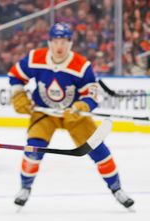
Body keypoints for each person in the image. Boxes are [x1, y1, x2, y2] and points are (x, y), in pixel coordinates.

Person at [9, 22, 134, 209]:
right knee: (34, 148)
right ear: (49, 42)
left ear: (71, 43)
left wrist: (82, 106)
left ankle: (117, 189)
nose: (60, 46)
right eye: (56, 41)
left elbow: (91, 95)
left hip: (73, 114)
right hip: (44, 113)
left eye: (65, 41)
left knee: (98, 149)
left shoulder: (82, 66)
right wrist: (18, 94)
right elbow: (15, 76)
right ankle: (25, 187)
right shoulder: (36, 58)